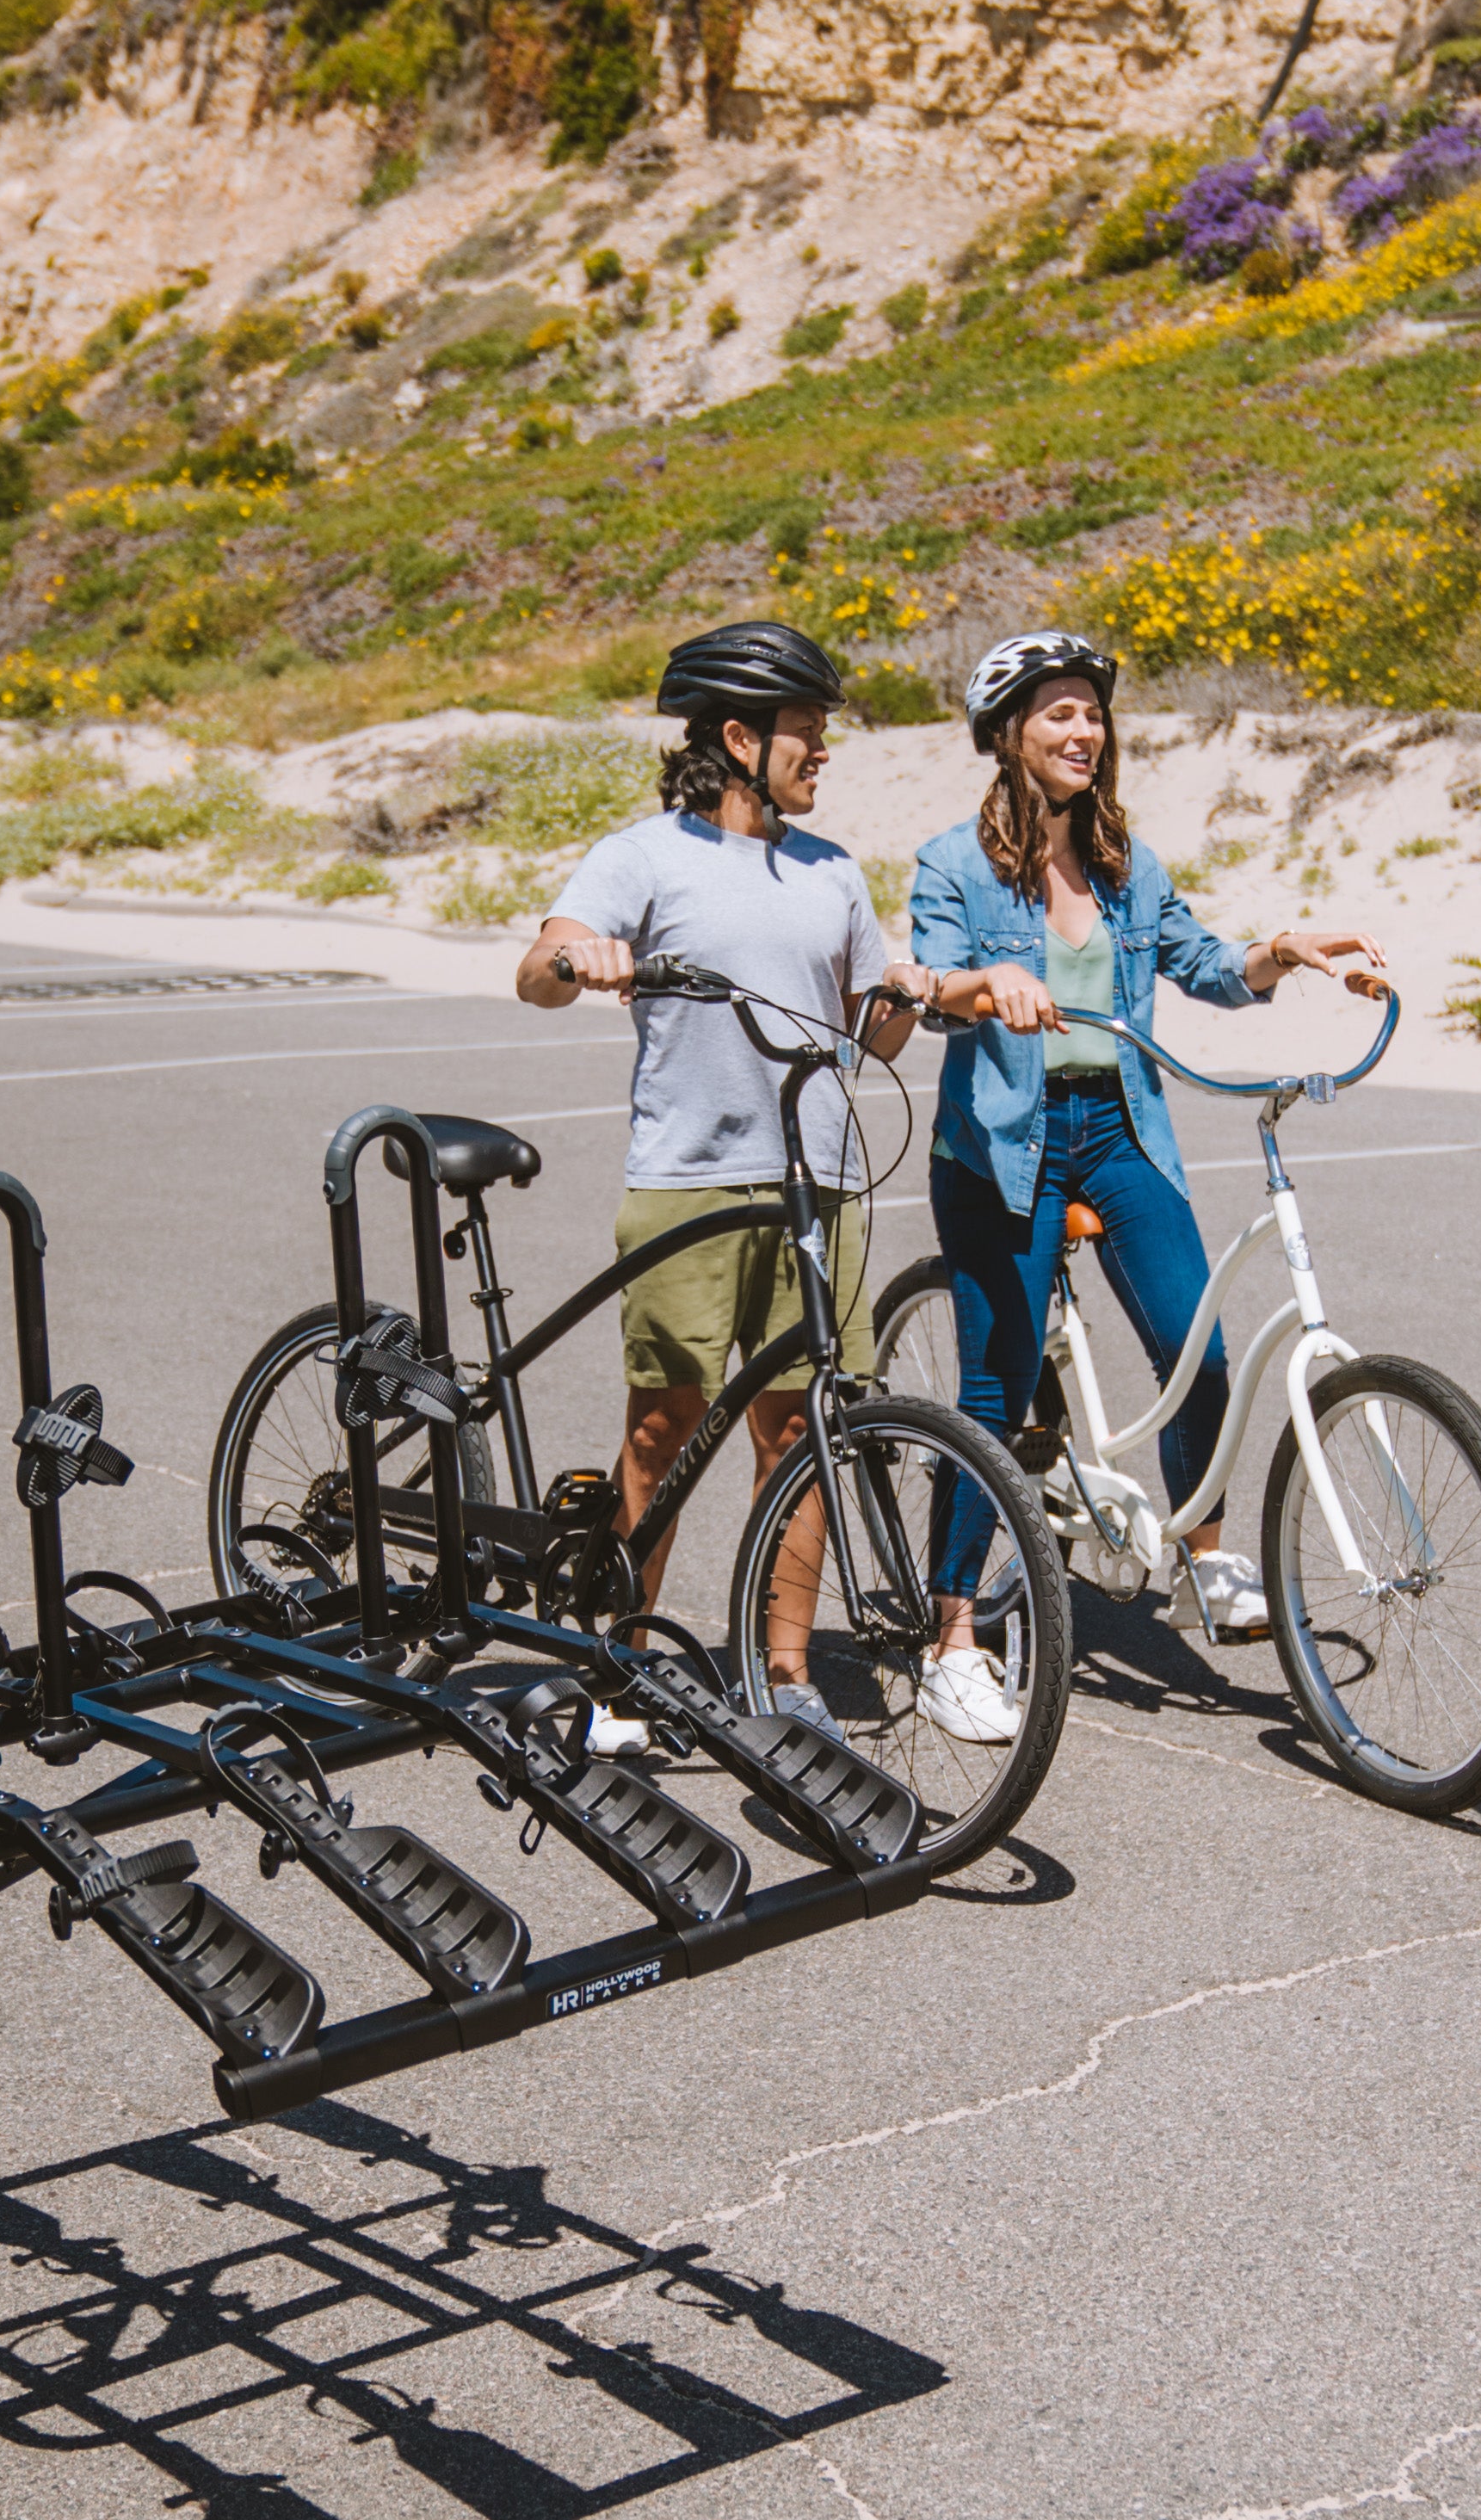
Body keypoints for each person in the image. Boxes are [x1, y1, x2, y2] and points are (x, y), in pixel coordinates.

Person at [909, 629, 1385, 1742]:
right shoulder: (953, 864)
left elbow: (1206, 969)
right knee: (994, 1390)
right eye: (1057, 714)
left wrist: (1281, 951)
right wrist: (987, 982)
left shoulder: (1126, 863)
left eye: (1092, 713)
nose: (1084, 732)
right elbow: (932, 984)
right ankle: (951, 1639)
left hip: (1120, 1129)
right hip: (1003, 1145)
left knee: (1199, 1348)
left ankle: (1208, 1561)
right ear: (1007, 736)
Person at [519, 619, 919, 1735]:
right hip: (691, 1183)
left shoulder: (832, 871)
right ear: (739, 739)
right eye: (806, 733)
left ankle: (782, 1674)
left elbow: (868, 1042)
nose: (822, 752)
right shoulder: (641, 856)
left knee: (801, 1436)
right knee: (664, 1428)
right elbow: (535, 973)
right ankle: (619, 1662)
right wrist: (576, 956)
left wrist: (905, 997)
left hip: (821, 1186)